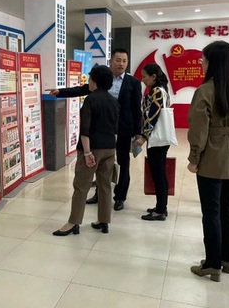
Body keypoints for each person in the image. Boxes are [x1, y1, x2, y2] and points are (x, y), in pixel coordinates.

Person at [49, 48, 142, 211]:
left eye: (124, 61)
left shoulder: (133, 82)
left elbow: (136, 109)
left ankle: (120, 197)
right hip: (103, 129)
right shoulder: (102, 77)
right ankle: (100, 194)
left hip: (123, 130)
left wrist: (138, 133)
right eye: (118, 60)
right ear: (111, 61)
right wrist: (60, 92)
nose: (121, 64)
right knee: (102, 164)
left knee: (123, 163)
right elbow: (83, 89)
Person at [187, 41, 229, 282]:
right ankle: (226, 261)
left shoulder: (205, 91)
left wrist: (194, 158)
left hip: (212, 159)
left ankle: (212, 264)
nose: (201, 63)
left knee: (211, 213)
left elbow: (199, 131)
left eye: (203, 60)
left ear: (212, 62)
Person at [53, 65, 119, 236]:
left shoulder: (90, 100)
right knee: (105, 185)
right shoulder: (113, 101)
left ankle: (73, 222)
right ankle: (104, 221)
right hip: (110, 148)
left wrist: (88, 153)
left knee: (81, 186)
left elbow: (85, 130)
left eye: (90, 79)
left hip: (92, 149)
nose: (88, 82)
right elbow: (116, 128)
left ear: (94, 81)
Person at [133, 63, 171, 221]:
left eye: (144, 76)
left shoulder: (157, 91)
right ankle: (161, 206)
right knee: (158, 173)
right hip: (157, 139)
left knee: (158, 174)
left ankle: (161, 210)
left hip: (157, 139)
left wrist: (144, 136)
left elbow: (153, 116)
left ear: (153, 77)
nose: (142, 80)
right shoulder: (159, 90)